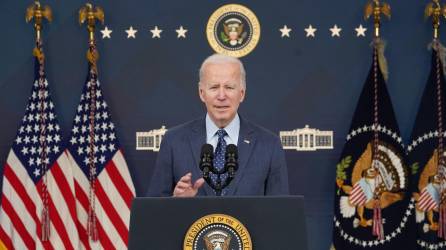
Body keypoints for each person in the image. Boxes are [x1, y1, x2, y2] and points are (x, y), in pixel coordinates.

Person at [146, 54, 289, 197]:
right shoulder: (174, 141)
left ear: (242, 93)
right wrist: (175, 202)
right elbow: (154, 211)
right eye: (214, 87)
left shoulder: (269, 145)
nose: (221, 96)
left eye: (229, 87)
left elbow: (280, 212)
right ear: (202, 93)